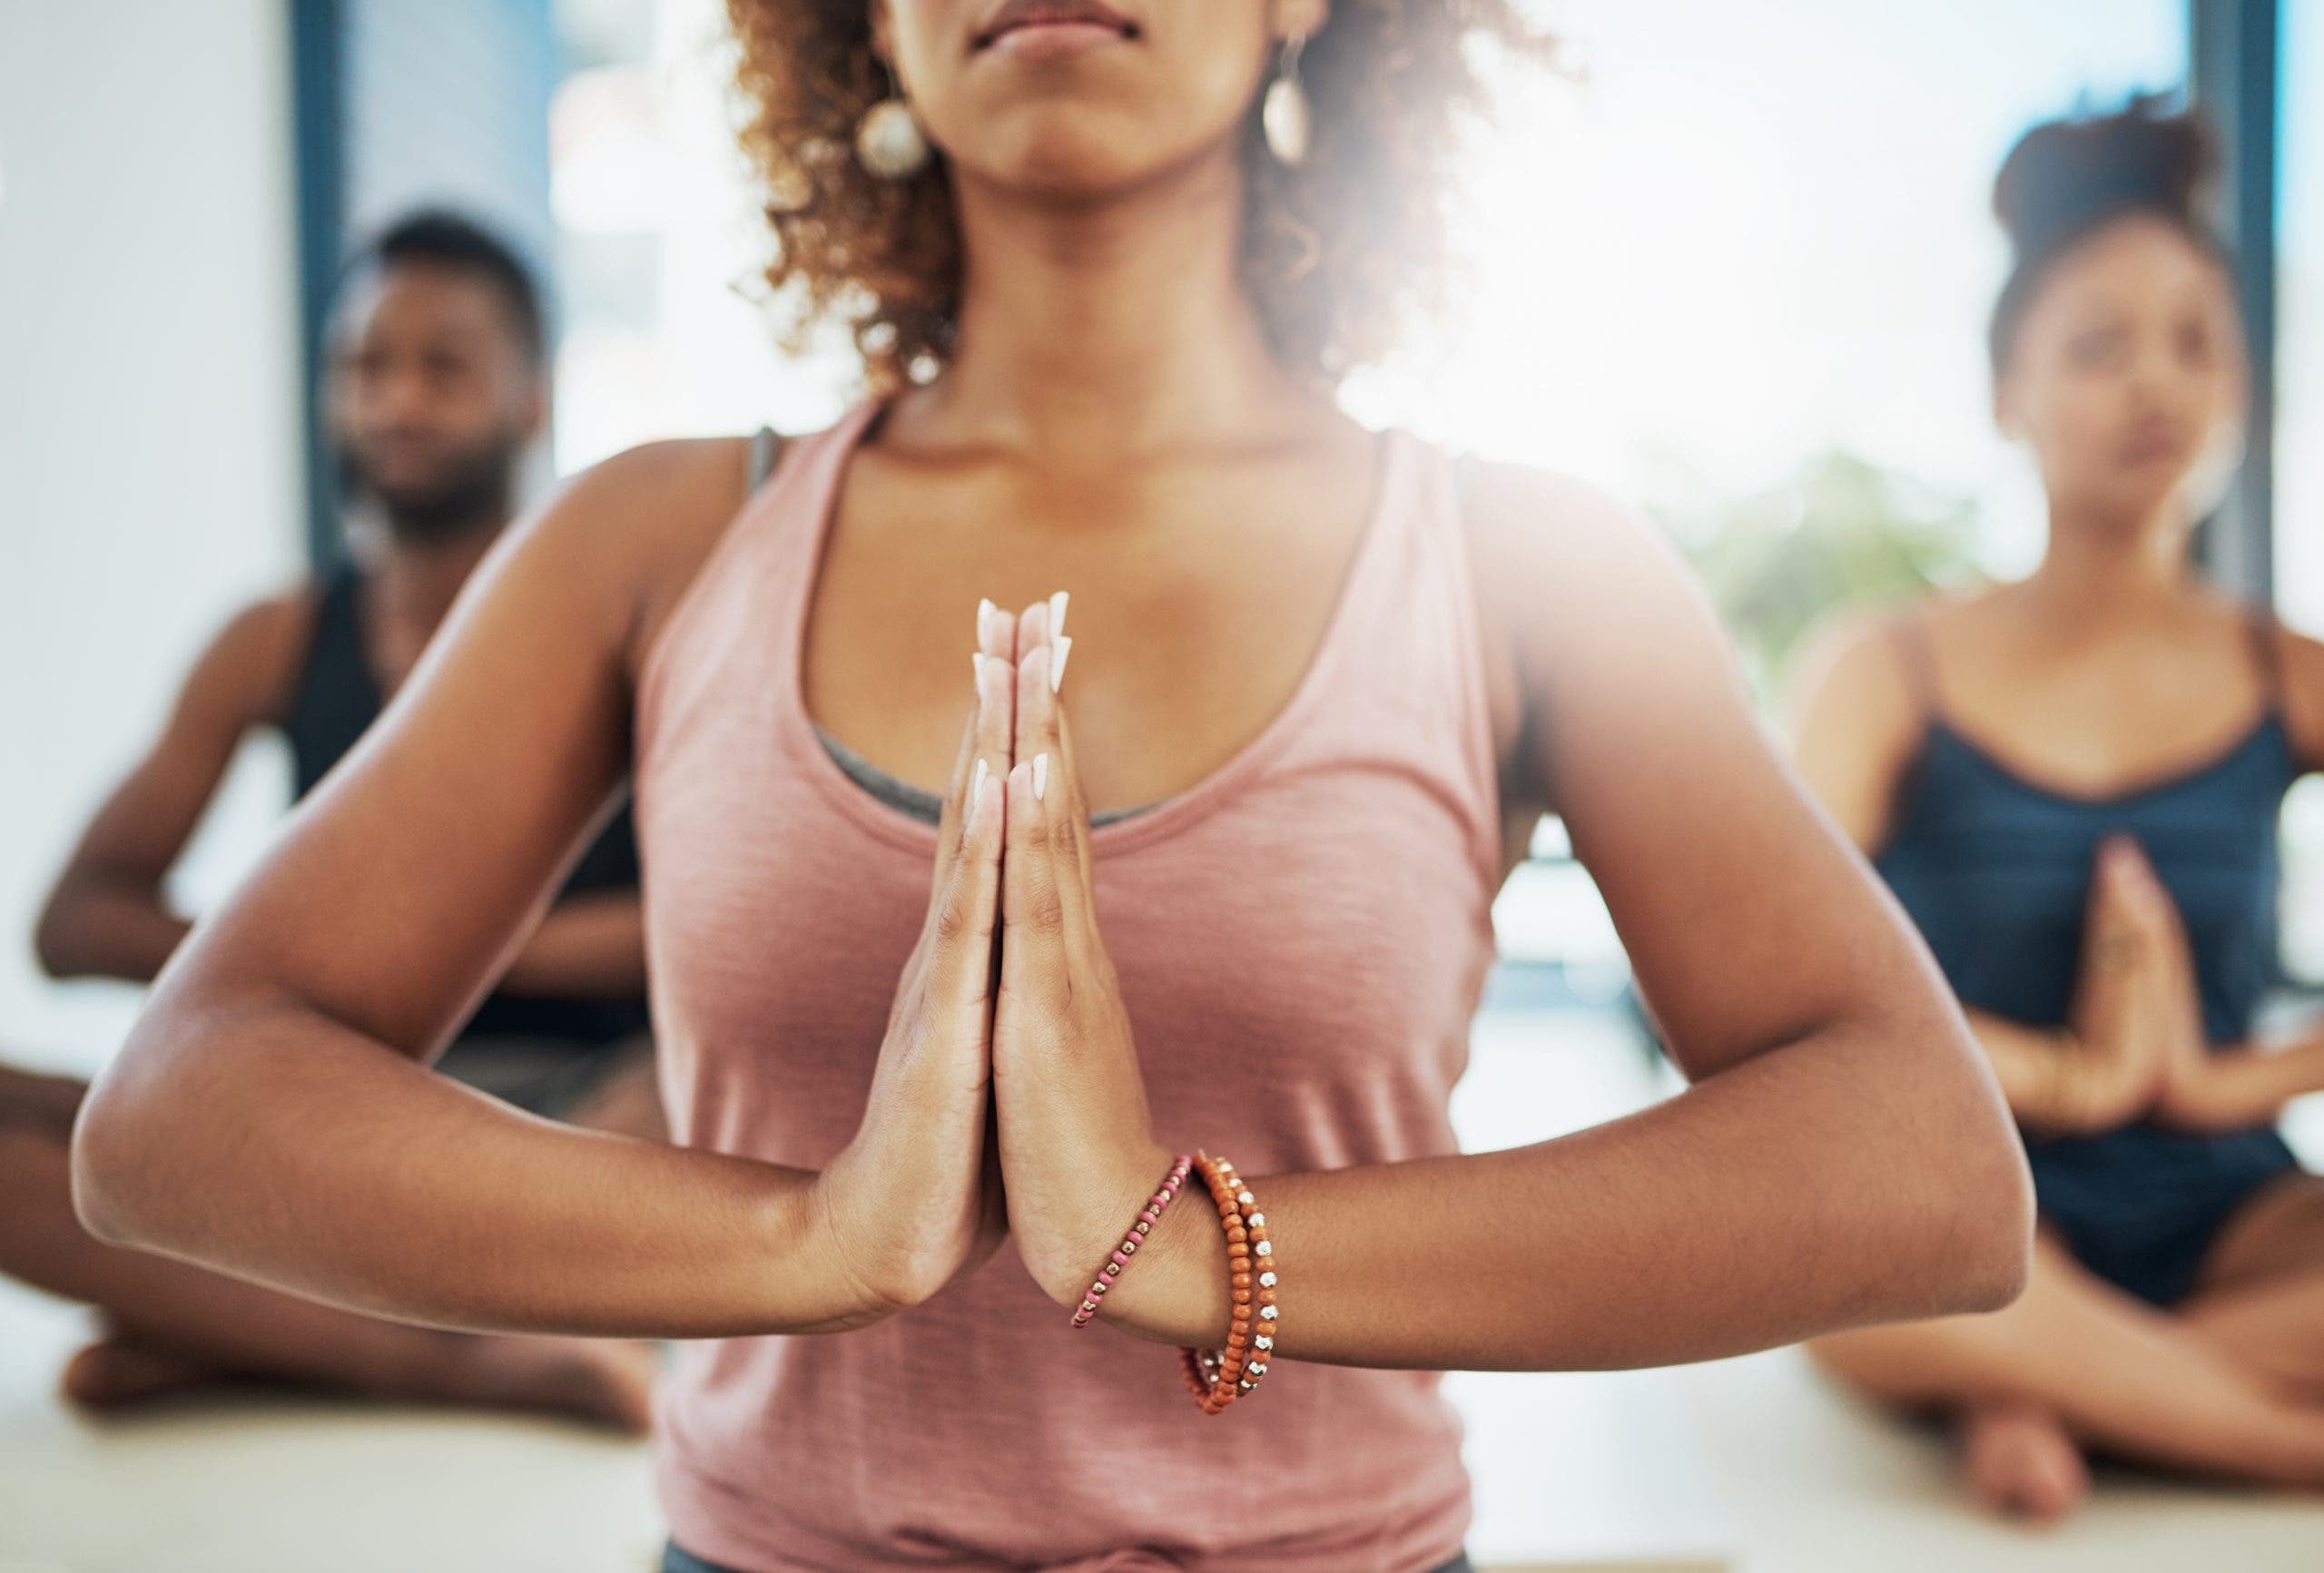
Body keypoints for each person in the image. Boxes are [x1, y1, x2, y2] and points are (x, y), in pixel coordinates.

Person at [66, 6, 2031, 1569]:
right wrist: (814, 1243)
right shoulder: (656, 535)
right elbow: (180, 1105)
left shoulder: (1522, 558)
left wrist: (1174, 1249)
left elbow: (1922, 1173)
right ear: (866, 32)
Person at [4, 208, 658, 1430]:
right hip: (342, 1106)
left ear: (529, 398)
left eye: (443, 365)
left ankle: (254, 1332)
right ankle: (461, 1355)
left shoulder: (633, 628)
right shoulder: (274, 642)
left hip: (583, 1108)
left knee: (706, 1092)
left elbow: (708, 926)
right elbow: (76, 921)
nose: (396, 401)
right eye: (363, 365)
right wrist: (293, 969)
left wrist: (431, 949)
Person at [1788, 95, 2324, 1522]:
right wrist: (2055, 1073)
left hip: (2233, 1218)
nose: (2156, 381)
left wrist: (2219, 1086)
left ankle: (2043, 1382)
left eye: (2197, 339)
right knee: (1820, 1259)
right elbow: (1754, 993)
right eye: (2098, 345)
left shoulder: (2292, 670)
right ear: (2004, 391)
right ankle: (2271, 1430)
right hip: (1953, 1203)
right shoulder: (1884, 669)